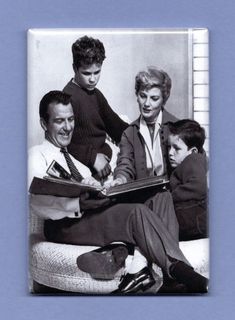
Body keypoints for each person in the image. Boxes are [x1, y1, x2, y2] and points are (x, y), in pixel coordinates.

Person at [29, 90, 208, 294]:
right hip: (63, 226)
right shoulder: (36, 156)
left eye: (71, 119)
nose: (68, 127)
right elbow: (36, 202)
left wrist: (104, 188)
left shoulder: (78, 162)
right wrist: (77, 204)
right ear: (44, 124)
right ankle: (178, 271)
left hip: (90, 215)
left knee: (161, 197)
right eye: (60, 121)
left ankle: (150, 272)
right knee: (135, 213)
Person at [63, 35, 128, 180]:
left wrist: (141, 134)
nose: (93, 79)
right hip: (87, 167)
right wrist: (92, 158)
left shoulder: (95, 94)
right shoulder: (67, 97)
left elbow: (116, 126)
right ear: (75, 68)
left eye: (97, 72)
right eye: (86, 73)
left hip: (106, 159)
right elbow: (62, 142)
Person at [112, 67, 178, 187]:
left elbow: (197, 160)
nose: (147, 103)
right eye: (143, 96)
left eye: (154, 98)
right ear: (137, 96)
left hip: (173, 195)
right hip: (142, 198)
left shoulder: (177, 127)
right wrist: (120, 180)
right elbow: (125, 163)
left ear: (163, 100)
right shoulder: (129, 133)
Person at [168, 119, 208, 241]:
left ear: (193, 151)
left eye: (176, 148)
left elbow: (199, 186)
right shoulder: (187, 163)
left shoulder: (193, 159)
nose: (170, 153)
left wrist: (169, 197)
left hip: (196, 220)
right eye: (169, 147)